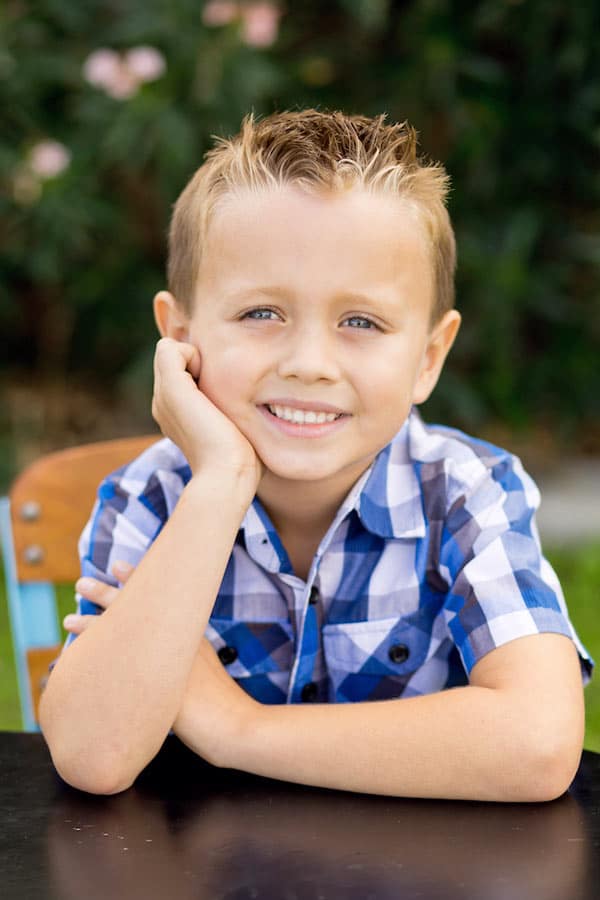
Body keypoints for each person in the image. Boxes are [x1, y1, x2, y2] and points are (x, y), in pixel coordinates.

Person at [39, 109, 594, 801]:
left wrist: (235, 729)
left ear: (428, 357)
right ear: (179, 335)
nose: (309, 364)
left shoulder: (465, 493)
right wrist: (222, 482)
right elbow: (96, 756)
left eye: (360, 322)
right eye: (261, 313)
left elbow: (537, 746)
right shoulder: (151, 499)